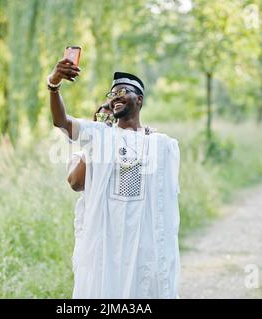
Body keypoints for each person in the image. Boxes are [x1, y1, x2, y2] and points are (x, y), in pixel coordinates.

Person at [48, 57, 181, 298]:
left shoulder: (159, 144)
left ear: (139, 100)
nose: (115, 97)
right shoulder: (98, 137)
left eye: (122, 91)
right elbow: (61, 122)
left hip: (141, 243)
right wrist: (54, 84)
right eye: (111, 94)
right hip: (105, 241)